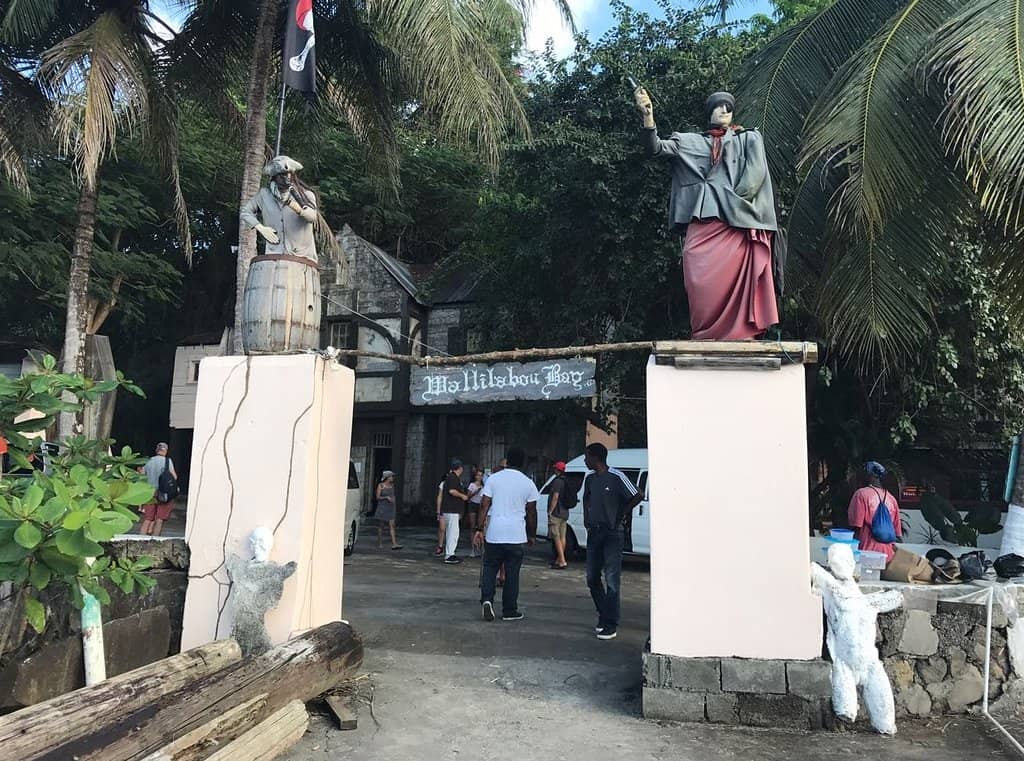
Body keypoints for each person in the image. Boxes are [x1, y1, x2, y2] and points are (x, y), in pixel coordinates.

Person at [635, 87, 780, 339]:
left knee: (737, 281)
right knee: (698, 280)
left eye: (728, 107)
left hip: (735, 224)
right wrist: (648, 117)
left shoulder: (747, 138)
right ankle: (705, 334)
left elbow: (756, 174)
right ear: (709, 111)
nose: (724, 111)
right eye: (718, 105)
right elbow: (655, 148)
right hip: (701, 224)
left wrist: (736, 202)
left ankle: (739, 333)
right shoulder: (687, 141)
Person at [582, 443, 642, 640]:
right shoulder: (590, 479)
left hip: (612, 534)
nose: (585, 460)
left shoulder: (616, 476)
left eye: (587, 456)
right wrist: (586, 517)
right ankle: (603, 614)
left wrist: (621, 514)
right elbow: (586, 499)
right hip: (594, 533)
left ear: (596, 458)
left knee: (612, 580)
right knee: (592, 578)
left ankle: (611, 622)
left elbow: (637, 495)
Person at [473, 447, 539, 622]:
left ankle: (487, 600)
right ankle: (510, 610)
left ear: (507, 461)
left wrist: (479, 529)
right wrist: (532, 534)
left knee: (490, 568)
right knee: (512, 573)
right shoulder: (528, 483)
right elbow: (532, 512)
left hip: (495, 533)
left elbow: (484, 504)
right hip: (516, 535)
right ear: (523, 463)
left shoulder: (494, 479)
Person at [240, 155, 318, 261]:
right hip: (274, 257)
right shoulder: (264, 195)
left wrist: (299, 210)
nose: (284, 178)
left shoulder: (306, 195)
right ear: (274, 177)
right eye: (280, 175)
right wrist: (260, 227)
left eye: (287, 174)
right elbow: (245, 212)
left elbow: (313, 217)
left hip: (302, 258)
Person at [848, 461, 902, 563]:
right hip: (888, 558)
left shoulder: (861, 494)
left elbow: (856, 525)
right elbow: (897, 532)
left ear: (871, 475)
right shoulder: (891, 499)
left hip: (866, 553)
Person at [139, 442, 177, 537]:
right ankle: (156, 541)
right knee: (159, 520)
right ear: (166, 451)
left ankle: (140, 539)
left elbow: (141, 476)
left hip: (150, 493)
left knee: (148, 519)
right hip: (163, 493)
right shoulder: (168, 461)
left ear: (156, 450)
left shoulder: (148, 461)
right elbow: (174, 477)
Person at [441, 459, 470, 564]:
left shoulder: (450, 477)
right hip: (451, 510)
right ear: (460, 468)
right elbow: (452, 491)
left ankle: (450, 553)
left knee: (451, 532)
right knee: (453, 533)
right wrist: (463, 496)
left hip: (449, 510)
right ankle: (450, 555)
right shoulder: (453, 478)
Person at [547, 461, 570, 569]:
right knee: (562, 537)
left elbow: (555, 498)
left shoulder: (557, 482)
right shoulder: (567, 481)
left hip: (556, 513)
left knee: (556, 537)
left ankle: (562, 560)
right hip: (565, 512)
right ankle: (559, 560)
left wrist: (550, 511)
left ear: (557, 470)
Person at [374, 471, 402, 551]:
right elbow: (377, 497)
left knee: (392, 525)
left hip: (391, 507)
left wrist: (394, 504)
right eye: (391, 476)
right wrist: (386, 497)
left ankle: (394, 544)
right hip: (382, 508)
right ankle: (380, 543)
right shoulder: (381, 485)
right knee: (381, 526)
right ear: (387, 477)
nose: (392, 478)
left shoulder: (392, 485)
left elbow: (393, 496)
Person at [466, 468, 485, 558]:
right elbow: (467, 497)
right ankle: (473, 549)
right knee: (473, 527)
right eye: (478, 475)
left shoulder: (484, 486)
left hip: (481, 506)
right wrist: (475, 492)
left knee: (480, 527)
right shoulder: (472, 485)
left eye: (481, 475)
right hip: (473, 504)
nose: (479, 477)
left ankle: (480, 548)